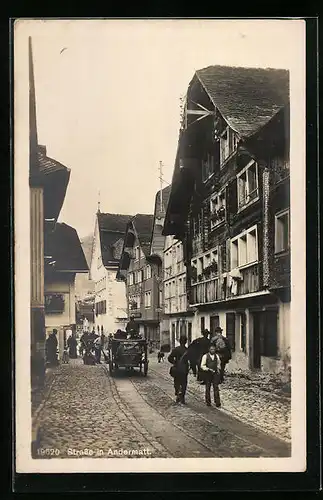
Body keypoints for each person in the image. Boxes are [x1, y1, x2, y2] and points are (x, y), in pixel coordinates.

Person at [168, 335, 190, 404]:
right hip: (184, 369)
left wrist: (174, 362)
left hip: (177, 368)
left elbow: (169, 358)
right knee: (184, 383)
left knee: (176, 381)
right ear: (186, 342)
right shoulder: (187, 350)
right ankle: (182, 397)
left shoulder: (176, 349)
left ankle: (177, 393)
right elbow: (191, 360)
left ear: (179, 341)